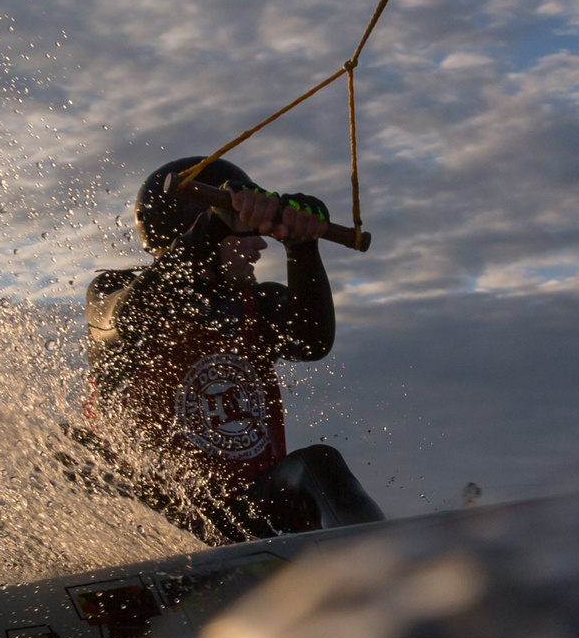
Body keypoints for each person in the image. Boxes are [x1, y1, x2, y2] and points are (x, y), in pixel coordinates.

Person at [81, 156, 386, 543]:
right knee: (69, 449)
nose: (259, 244)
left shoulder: (259, 304)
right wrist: (213, 224)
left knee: (317, 466)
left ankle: (378, 567)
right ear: (195, 232)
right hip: (152, 521)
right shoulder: (113, 293)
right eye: (244, 232)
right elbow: (131, 317)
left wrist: (303, 247)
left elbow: (311, 344)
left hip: (245, 517)